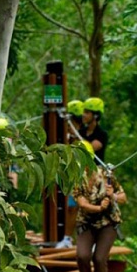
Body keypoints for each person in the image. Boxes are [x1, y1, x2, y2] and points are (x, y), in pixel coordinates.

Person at [73, 146, 127, 272]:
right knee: (82, 255)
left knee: (99, 258)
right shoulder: (78, 179)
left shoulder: (106, 176)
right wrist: (99, 207)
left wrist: (113, 196)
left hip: (107, 223)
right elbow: (82, 204)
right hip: (87, 223)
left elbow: (124, 197)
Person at [56, 99, 85, 249]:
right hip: (69, 176)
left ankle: (75, 238)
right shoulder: (65, 137)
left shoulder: (82, 137)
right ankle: (66, 237)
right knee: (68, 207)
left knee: (78, 208)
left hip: (82, 176)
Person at [79, 97, 108, 163]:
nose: (83, 115)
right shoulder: (81, 131)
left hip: (96, 171)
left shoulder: (101, 134)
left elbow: (89, 150)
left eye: (87, 112)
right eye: (83, 112)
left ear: (95, 116)